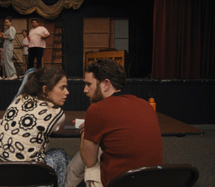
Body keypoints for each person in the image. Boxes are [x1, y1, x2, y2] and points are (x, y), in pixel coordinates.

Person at [65, 59, 163, 187]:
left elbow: (89, 161)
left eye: (89, 84)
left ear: (106, 84)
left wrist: (85, 128)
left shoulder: (97, 109)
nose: (85, 90)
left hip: (119, 182)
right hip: (151, 181)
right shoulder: (146, 105)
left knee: (83, 161)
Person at [0, 65, 70, 187]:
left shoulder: (19, 99)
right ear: (45, 89)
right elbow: (54, 129)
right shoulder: (56, 113)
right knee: (60, 154)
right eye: (62, 88)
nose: (67, 92)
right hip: (26, 176)